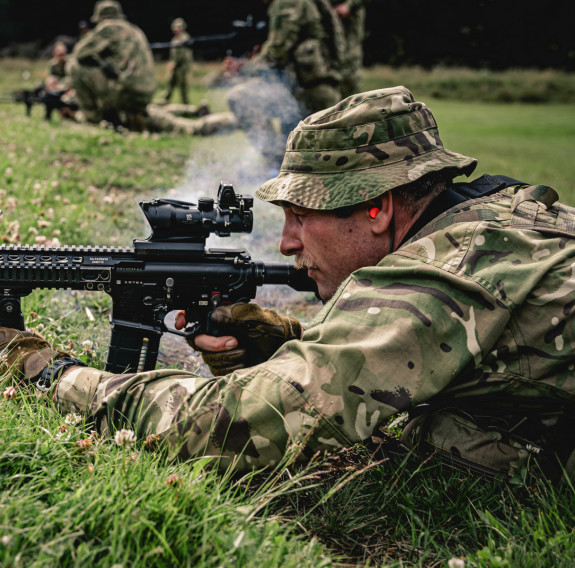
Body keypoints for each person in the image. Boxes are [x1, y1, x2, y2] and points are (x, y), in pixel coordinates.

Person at [3, 86, 575, 485]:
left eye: (302, 216)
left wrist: (44, 369)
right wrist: (286, 344)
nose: (287, 243)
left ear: (376, 208)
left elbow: (234, 424)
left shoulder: (446, 272)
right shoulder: (491, 218)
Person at [226, 0, 345, 169]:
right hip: (310, 90)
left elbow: (277, 51)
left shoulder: (286, 2)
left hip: (308, 93)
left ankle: (277, 162)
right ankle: (284, 163)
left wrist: (244, 67)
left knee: (239, 97)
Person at [66, 0, 156, 130]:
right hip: (145, 95)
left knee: (73, 65)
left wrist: (98, 57)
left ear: (101, 18)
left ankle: (93, 118)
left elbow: (79, 53)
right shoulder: (135, 30)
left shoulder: (109, 27)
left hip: (126, 93)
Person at [330, 0, 367, 97]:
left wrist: (349, 5)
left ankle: (351, 107)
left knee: (348, 73)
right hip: (325, 15)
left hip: (348, 19)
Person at [162, 18, 193, 105]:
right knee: (170, 83)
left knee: (183, 87)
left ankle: (186, 105)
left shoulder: (184, 38)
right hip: (175, 66)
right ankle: (165, 101)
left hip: (182, 67)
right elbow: (173, 54)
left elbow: (183, 54)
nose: (176, 29)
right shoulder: (175, 39)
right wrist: (171, 62)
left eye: (178, 28)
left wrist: (174, 63)